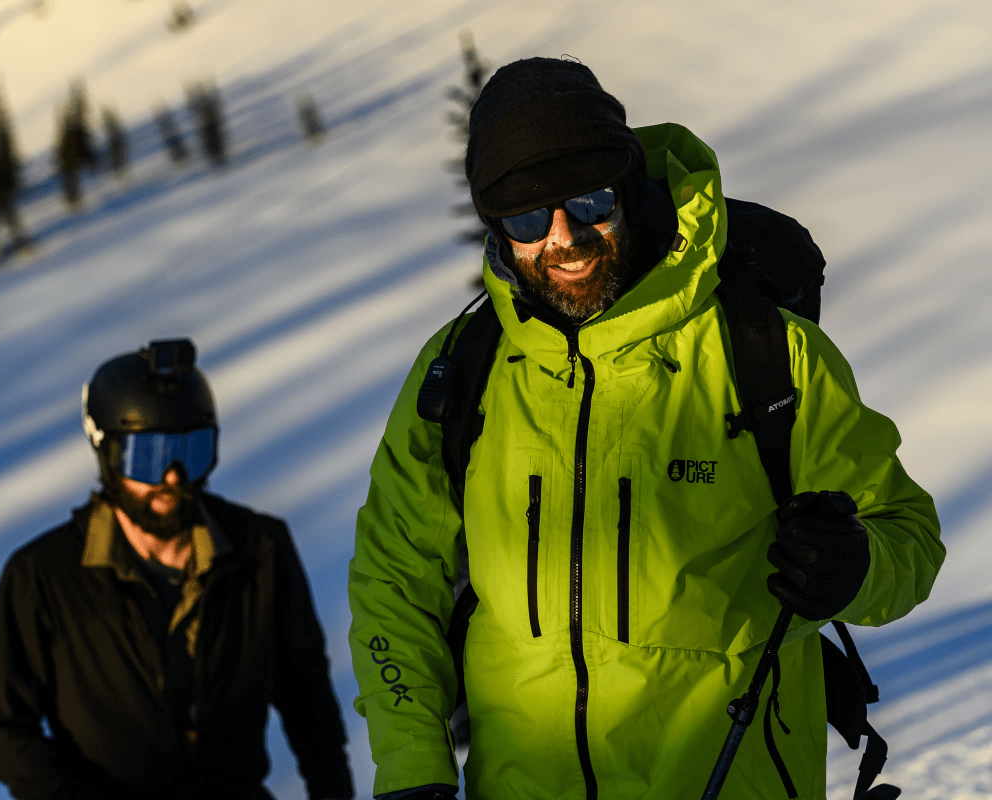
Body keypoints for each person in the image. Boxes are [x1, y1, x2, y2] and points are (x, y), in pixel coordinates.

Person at [348, 58, 944, 800]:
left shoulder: (768, 356)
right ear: (496, 228)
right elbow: (395, 584)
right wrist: (412, 770)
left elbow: (909, 538)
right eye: (528, 219)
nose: (564, 239)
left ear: (627, 186)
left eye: (589, 202)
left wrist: (855, 567)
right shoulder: (462, 370)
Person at [0, 338, 353, 800]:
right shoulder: (44, 575)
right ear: (106, 453)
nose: (172, 476)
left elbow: (305, 694)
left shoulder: (260, 548)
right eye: (148, 457)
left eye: (191, 452)